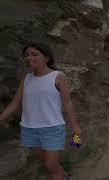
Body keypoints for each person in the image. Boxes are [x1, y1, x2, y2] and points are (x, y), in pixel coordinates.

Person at [0, 43, 81, 180]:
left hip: (52, 128)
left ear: (47, 58)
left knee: (50, 165)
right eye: (26, 55)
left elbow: (67, 102)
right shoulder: (26, 78)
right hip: (29, 129)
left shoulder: (58, 76)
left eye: (34, 54)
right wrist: (1, 117)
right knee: (50, 164)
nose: (29, 58)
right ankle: (66, 178)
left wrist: (75, 126)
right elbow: (15, 103)